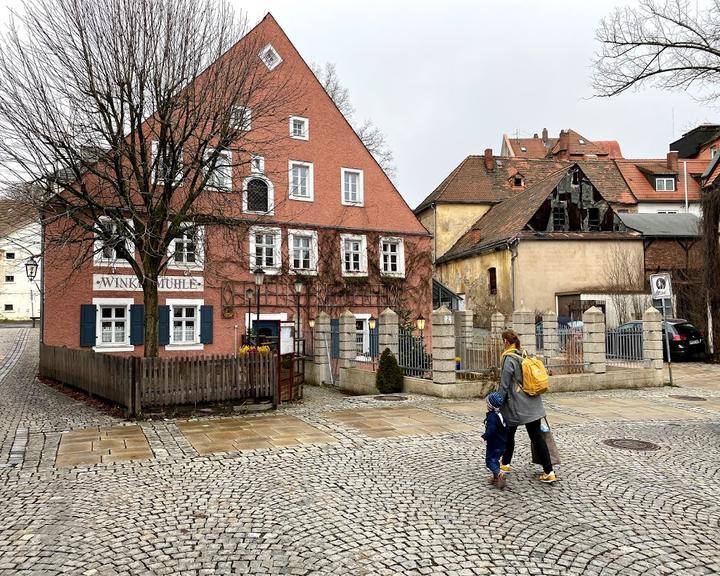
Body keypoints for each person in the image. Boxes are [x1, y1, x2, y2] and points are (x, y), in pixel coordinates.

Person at [496, 329, 557, 483]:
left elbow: (504, 386)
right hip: (533, 403)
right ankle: (549, 472)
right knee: (536, 437)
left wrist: (496, 403)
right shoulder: (523, 353)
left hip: (517, 406)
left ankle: (505, 464)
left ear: (506, 342)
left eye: (502, 341)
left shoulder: (508, 359)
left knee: (509, 434)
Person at [481, 391, 508, 489]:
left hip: (494, 444)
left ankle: (499, 473)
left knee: (489, 461)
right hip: (502, 443)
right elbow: (506, 428)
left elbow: (491, 430)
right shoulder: (500, 415)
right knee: (495, 460)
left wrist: (483, 437)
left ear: (490, 406)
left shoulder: (492, 418)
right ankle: (496, 478)